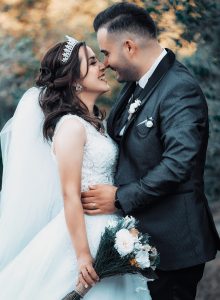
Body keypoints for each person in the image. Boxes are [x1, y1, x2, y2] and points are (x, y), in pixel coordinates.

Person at [81, 3, 220, 300]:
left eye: (106, 53)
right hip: (141, 241)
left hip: (172, 246)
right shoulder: (136, 85)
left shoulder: (179, 88)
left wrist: (119, 197)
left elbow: (178, 164)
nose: (104, 63)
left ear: (129, 46)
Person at [0, 36, 150, 299]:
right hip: (84, 236)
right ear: (74, 80)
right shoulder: (70, 126)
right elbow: (69, 194)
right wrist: (82, 256)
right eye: (92, 62)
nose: (102, 66)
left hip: (109, 228)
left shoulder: (95, 125)